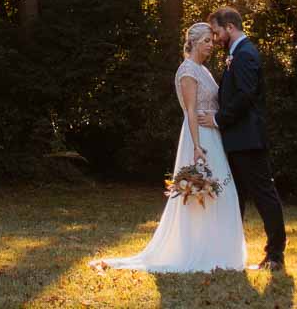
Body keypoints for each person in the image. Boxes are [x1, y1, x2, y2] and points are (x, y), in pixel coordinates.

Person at [91, 22, 246, 273]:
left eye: (211, 40)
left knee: (222, 191)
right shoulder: (187, 72)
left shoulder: (203, 70)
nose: (211, 45)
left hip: (213, 135)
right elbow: (191, 111)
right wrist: (197, 146)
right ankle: (199, 250)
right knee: (205, 192)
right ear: (194, 42)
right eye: (207, 40)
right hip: (200, 138)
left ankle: (219, 250)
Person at [198, 6, 286, 271]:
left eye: (216, 32)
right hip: (238, 139)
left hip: (248, 139)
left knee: (263, 194)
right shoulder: (237, 55)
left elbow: (245, 96)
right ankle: (228, 252)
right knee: (234, 197)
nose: (215, 38)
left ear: (230, 27)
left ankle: (275, 255)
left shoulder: (246, 54)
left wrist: (217, 120)